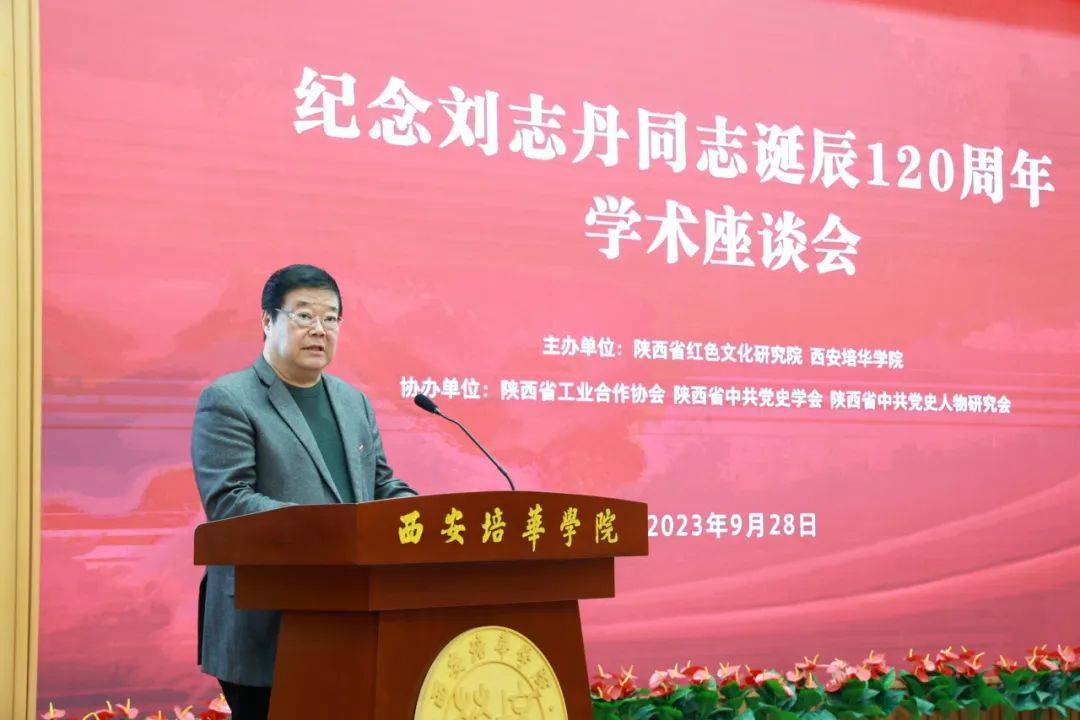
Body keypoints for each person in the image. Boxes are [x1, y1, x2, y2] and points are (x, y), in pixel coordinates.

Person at [191, 264, 416, 720]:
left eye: (331, 318)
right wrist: (332, 529)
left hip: (349, 616)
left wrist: (417, 513)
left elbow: (378, 484)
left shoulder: (353, 401)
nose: (319, 329)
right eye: (304, 315)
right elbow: (230, 502)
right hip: (264, 623)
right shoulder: (230, 399)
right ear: (267, 320)